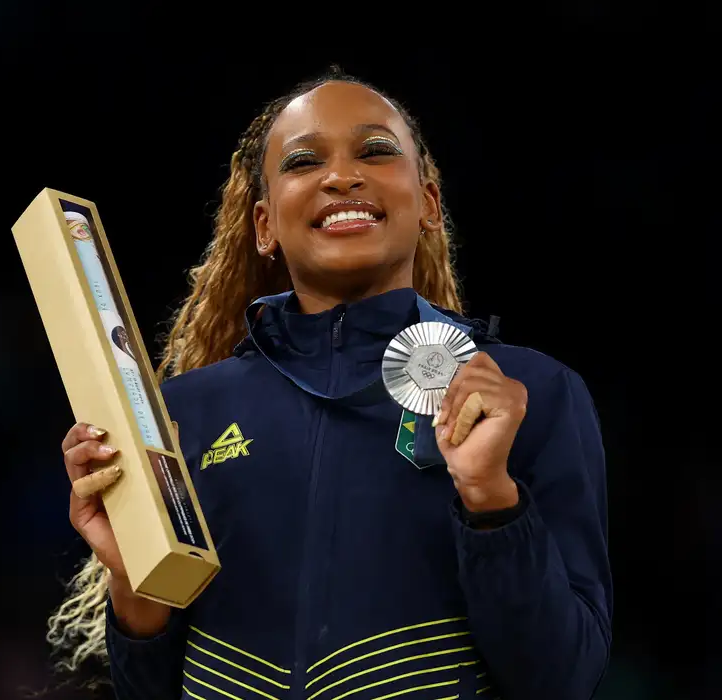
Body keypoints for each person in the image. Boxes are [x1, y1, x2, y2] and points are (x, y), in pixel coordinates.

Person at [48, 67, 612, 700]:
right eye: (304, 161)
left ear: (427, 203)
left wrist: (490, 498)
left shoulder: (529, 392)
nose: (341, 176)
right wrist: (134, 580)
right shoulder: (184, 416)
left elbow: (562, 678)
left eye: (376, 151)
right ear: (264, 224)